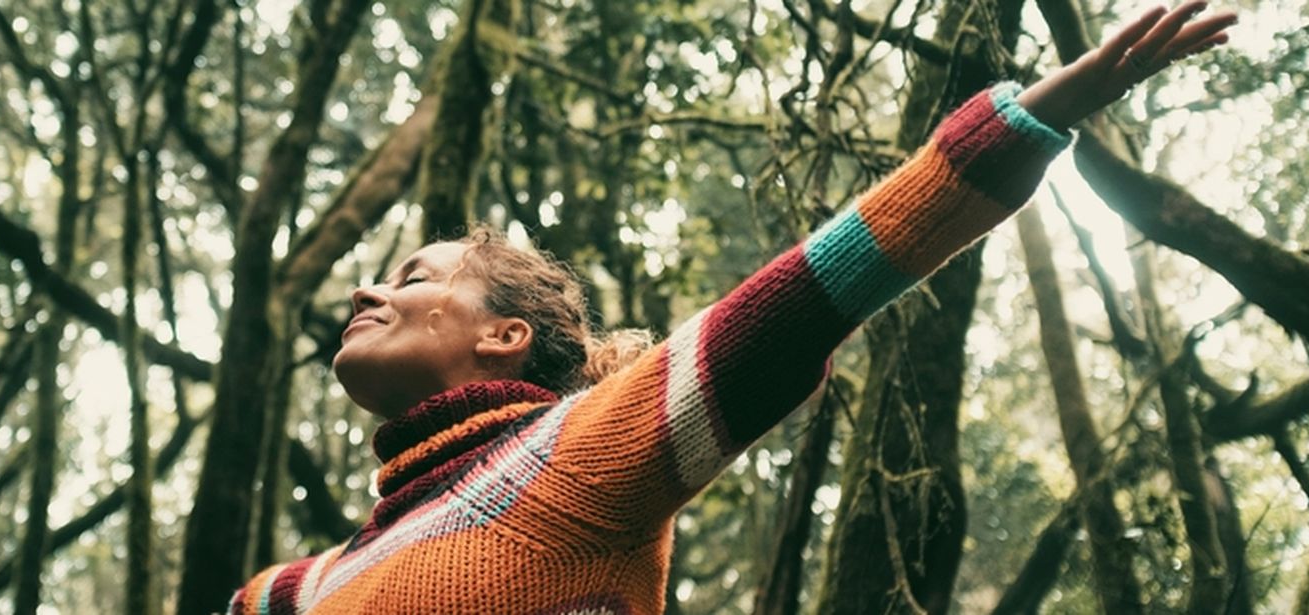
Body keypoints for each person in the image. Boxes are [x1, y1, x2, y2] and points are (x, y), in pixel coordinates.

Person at [228, 2, 1236, 613]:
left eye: (413, 275)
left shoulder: (583, 461)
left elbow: (811, 291)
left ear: (505, 335)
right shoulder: (318, 581)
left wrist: (1031, 117)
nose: (366, 288)